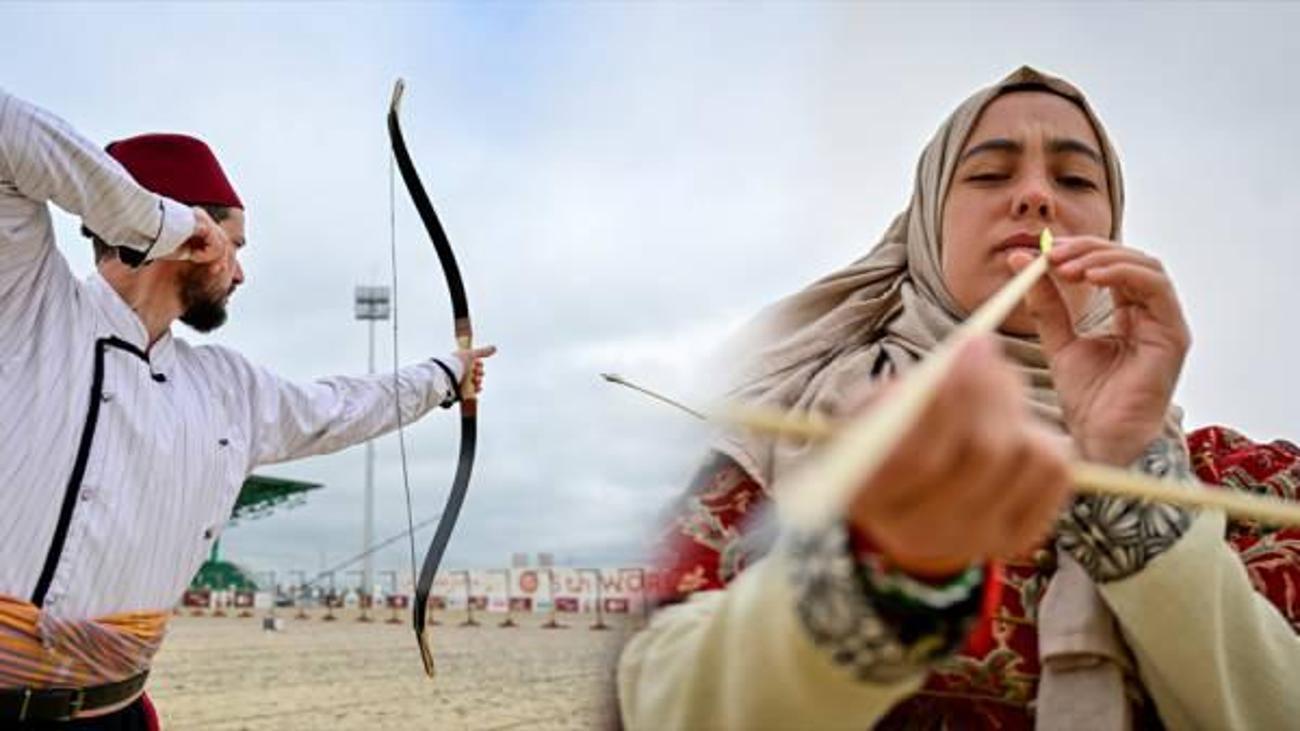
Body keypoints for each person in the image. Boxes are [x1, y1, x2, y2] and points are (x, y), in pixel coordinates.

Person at [617, 66, 1300, 729]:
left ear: (1112, 226)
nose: (1035, 197)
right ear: (926, 228)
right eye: (989, 174)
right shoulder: (782, 439)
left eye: (1074, 179)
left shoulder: (1249, 487)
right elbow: (661, 704)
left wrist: (1135, 477)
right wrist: (876, 567)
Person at [0, 88, 494, 728]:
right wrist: (162, 225)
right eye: (236, 244)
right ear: (193, 231)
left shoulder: (225, 386)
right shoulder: (25, 306)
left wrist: (444, 377)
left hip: (116, 710)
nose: (239, 272)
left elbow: (338, 406)